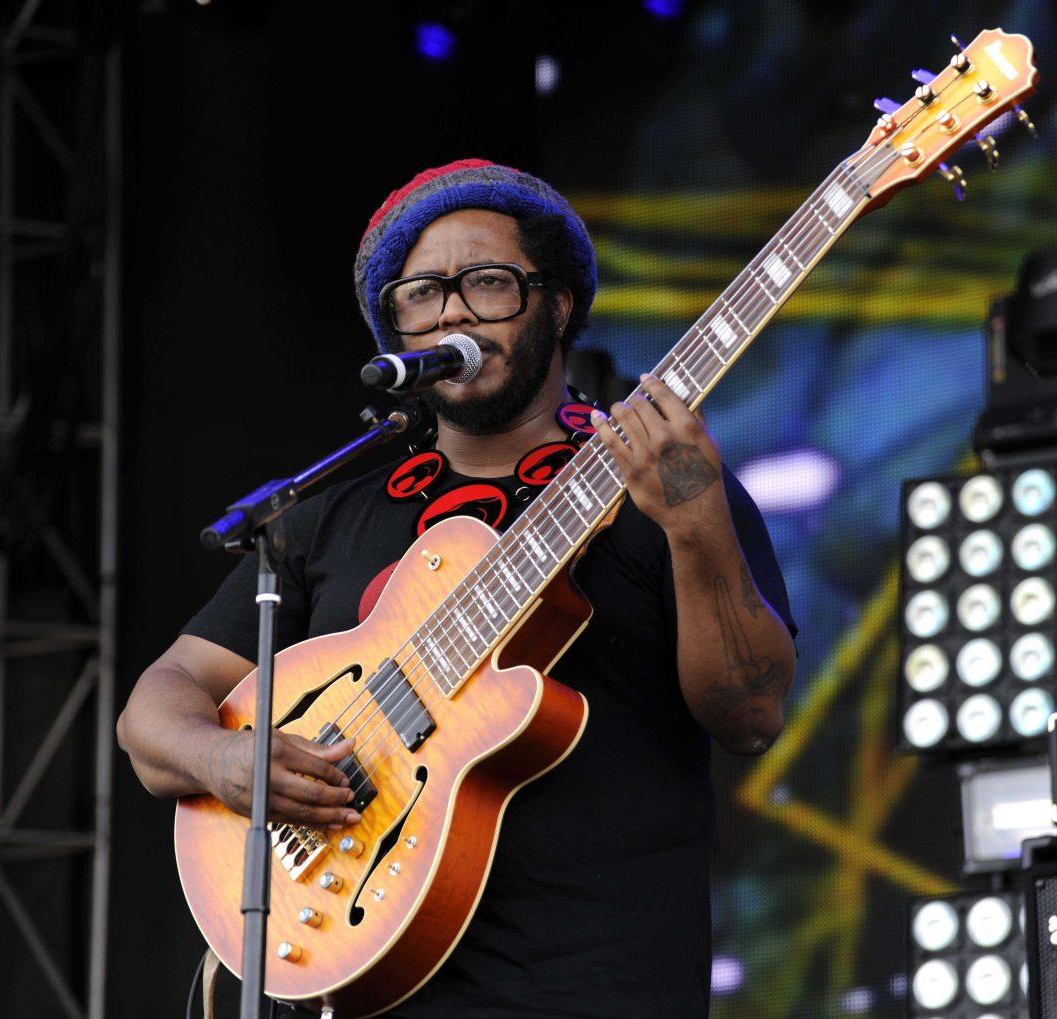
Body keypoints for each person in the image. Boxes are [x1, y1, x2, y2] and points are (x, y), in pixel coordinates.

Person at [118, 158, 798, 1018]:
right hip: (362, 974)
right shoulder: (330, 513)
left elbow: (752, 715)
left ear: (556, 303)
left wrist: (696, 521)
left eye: (487, 282)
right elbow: (152, 711)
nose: (454, 310)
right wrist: (227, 759)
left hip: (598, 985)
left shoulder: (666, 479)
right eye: (422, 293)